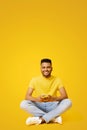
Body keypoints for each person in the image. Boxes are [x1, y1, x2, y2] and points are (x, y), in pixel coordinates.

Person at [20, 58, 72, 125]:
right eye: (43, 67)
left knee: (68, 102)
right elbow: (27, 96)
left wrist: (53, 98)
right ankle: (52, 118)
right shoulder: (34, 80)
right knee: (23, 103)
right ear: (40, 68)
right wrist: (37, 99)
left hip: (53, 105)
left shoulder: (57, 79)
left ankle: (42, 119)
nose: (46, 69)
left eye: (48, 67)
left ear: (51, 68)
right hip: (39, 105)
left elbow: (65, 96)